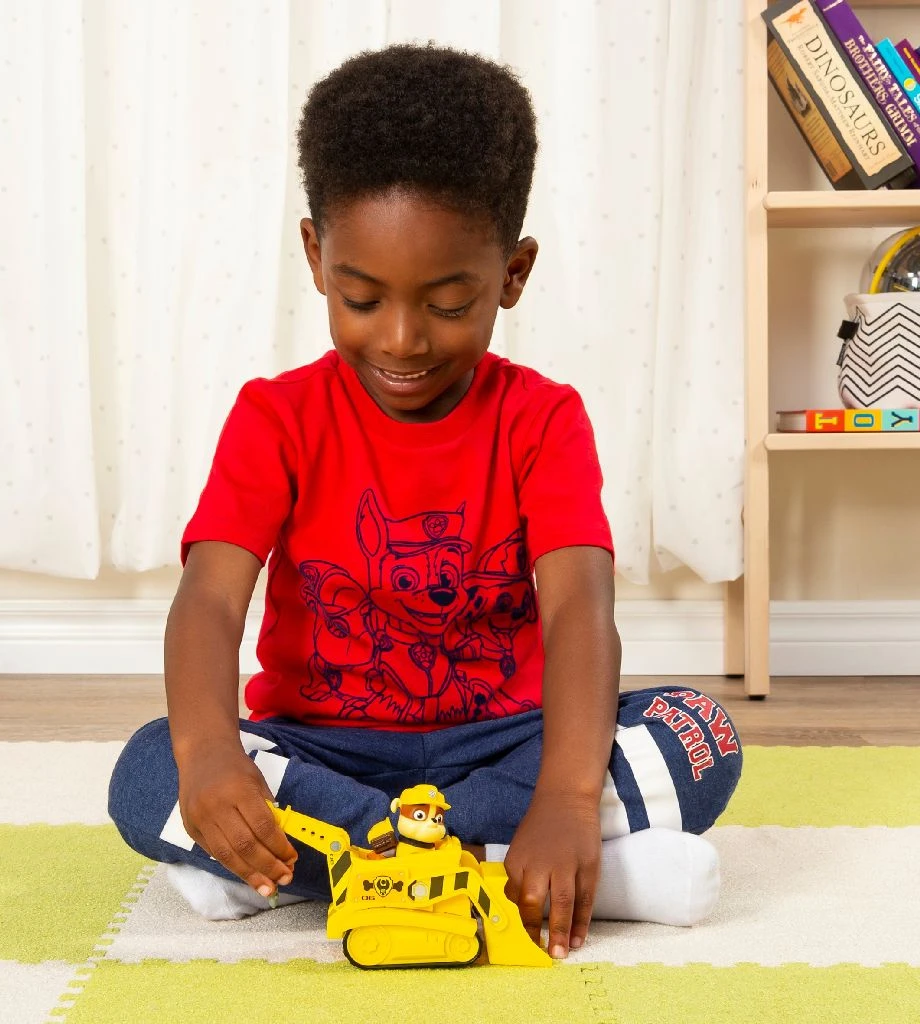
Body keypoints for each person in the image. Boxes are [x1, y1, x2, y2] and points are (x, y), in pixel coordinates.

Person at [108, 43, 743, 961]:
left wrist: (567, 798)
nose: (403, 340)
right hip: (325, 752)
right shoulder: (275, 417)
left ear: (512, 275)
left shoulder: (544, 420)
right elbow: (209, 599)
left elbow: (579, 609)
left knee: (699, 732)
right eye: (363, 299)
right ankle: (536, 876)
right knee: (149, 768)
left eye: (447, 304)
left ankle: (324, 872)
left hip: (508, 747)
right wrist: (210, 759)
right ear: (316, 256)